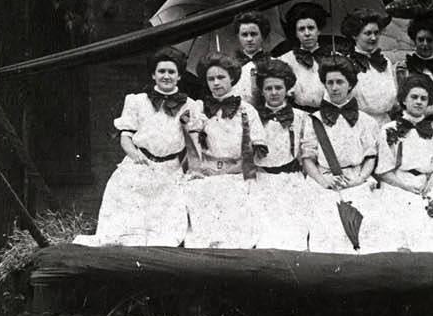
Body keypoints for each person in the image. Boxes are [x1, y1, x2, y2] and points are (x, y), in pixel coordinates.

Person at [80, 47, 198, 247]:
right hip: (141, 163)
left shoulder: (190, 105)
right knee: (128, 214)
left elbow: (193, 144)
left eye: (171, 72)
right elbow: (126, 137)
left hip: (171, 169)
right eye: (161, 71)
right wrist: (135, 156)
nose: (166, 76)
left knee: (166, 231)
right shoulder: (137, 101)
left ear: (179, 76)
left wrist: (186, 166)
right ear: (153, 74)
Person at [183, 52, 266, 248]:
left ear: (233, 78)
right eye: (211, 79)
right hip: (208, 176)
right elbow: (191, 141)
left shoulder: (247, 110)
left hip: (237, 176)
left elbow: (256, 147)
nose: (216, 83)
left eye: (221, 77)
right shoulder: (200, 108)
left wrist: (238, 168)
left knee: (236, 235)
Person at [367, 72, 433, 252]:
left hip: (425, 185)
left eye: (424, 98)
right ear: (404, 100)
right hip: (397, 184)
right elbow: (384, 172)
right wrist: (406, 187)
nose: (418, 102)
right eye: (414, 97)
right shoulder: (389, 130)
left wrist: (430, 182)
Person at [301, 57, 382, 252]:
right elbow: (308, 159)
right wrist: (322, 181)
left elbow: (371, 157)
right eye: (330, 82)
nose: (335, 88)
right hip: (325, 180)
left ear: (350, 85)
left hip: (357, 179)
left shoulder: (366, 121)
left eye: (340, 82)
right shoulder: (315, 120)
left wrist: (360, 179)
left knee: (365, 231)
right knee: (328, 231)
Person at [250, 59, 319, 250]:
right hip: (261, 179)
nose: (273, 93)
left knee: (293, 235)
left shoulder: (301, 118)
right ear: (262, 90)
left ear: (287, 89)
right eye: (268, 88)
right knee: (263, 236)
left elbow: (307, 154)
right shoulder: (252, 116)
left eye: (278, 88)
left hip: (291, 180)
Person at [347, 9, 399, 123]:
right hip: (358, 123)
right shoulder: (347, 63)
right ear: (355, 35)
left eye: (376, 33)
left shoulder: (385, 62)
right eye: (368, 33)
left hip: (385, 122)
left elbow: (394, 98)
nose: (373, 38)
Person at [278, 2, 329, 110]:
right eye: (301, 29)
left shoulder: (333, 57)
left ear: (318, 30)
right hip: (300, 114)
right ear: (296, 33)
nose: (307, 33)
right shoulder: (285, 60)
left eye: (311, 28)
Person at [400, 16, 433, 117]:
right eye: (420, 39)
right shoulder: (403, 67)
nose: (425, 44)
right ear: (414, 40)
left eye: (429, 40)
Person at [230, 10, 275, 107]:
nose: (249, 39)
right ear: (238, 36)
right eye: (244, 35)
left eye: (253, 34)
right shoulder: (231, 66)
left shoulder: (274, 64)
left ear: (263, 36)